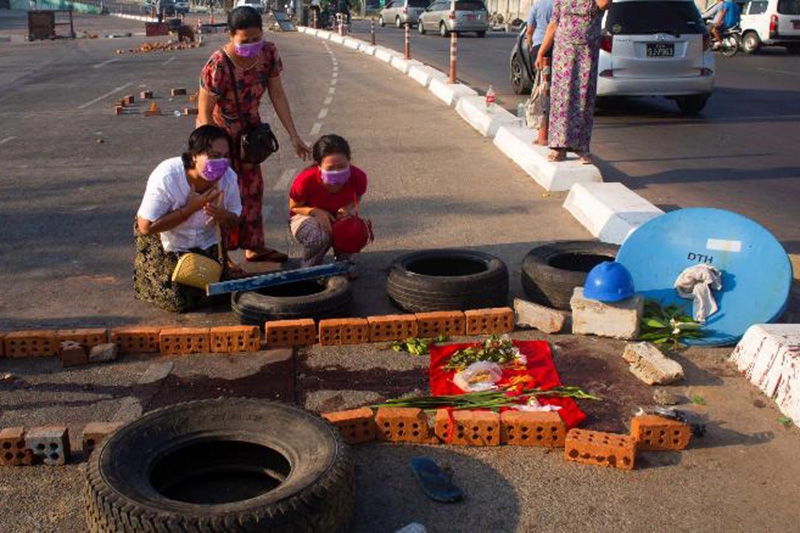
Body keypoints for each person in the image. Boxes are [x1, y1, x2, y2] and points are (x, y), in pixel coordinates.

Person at [199, 6, 311, 266]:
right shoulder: (218, 65)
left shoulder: (268, 53)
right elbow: (204, 113)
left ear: (262, 32)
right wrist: (211, 153)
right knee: (223, 194)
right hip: (219, 136)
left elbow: (278, 94)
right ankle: (222, 256)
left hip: (251, 136)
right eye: (244, 41)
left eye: (255, 39)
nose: (252, 45)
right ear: (230, 36)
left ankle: (254, 247)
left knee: (253, 191)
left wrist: (293, 135)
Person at [134, 126, 242, 313]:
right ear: (194, 156)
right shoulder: (168, 176)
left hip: (204, 240)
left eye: (225, 156)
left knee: (219, 295)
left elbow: (235, 221)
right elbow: (146, 226)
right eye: (214, 155)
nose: (221, 163)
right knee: (177, 301)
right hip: (164, 239)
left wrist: (222, 216)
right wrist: (189, 210)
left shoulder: (229, 178)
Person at [535, 0, 611, 163]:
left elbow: (604, 4)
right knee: (561, 99)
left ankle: (581, 147)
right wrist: (541, 51)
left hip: (586, 52)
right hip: (564, 52)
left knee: (583, 98)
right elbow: (554, 23)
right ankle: (558, 147)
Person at [288, 135, 368, 268]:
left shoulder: (358, 177)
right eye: (330, 168)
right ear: (319, 166)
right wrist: (315, 212)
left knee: (353, 230)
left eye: (342, 166)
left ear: (349, 161)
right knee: (319, 236)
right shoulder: (305, 181)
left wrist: (347, 208)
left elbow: (357, 197)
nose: (337, 171)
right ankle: (309, 268)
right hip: (306, 217)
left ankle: (344, 262)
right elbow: (294, 206)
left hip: (337, 217)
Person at [526, 0, 554, 71]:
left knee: (538, 73)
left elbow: (529, 31)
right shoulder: (558, 5)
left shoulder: (535, 6)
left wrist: (530, 46)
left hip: (538, 44)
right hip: (555, 46)